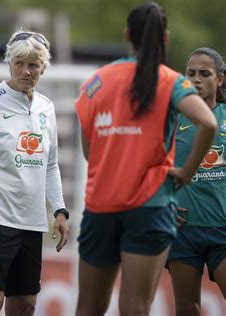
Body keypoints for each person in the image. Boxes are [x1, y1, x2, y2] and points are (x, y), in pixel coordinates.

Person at [74, 3, 218, 315]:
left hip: (101, 205)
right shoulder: (170, 81)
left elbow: (89, 152)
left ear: (127, 34)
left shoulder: (96, 82)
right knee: (136, 307)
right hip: (150, 208)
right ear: (164, 37)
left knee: (87, 307)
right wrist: (186, 172)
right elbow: (208, 122)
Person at [0, 29, 69, 315]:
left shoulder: (47, 107)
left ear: (42, 68)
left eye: (33, 65)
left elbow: (52, 164)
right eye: (19, 63)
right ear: (9, 63)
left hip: (33, 223)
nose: (25, 70)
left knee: (25, 305)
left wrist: (59, 211)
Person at [167, 47, 226, 314]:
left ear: (221, 79)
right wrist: (161, 202)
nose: (197, 79)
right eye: (191, 74)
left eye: (205, 73)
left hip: (222, 227)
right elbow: (149, 166)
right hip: (183, 229)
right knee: (187, 308)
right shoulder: (172, 119)